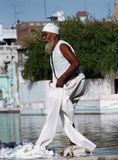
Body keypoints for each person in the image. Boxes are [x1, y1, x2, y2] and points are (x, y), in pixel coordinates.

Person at [35, 23, 96, 156]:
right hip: (68, 83)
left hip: (75, 82)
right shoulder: (53, 48)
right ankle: (74, 146)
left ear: (54, 35)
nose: (43, 37)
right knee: (68, 114)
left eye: (45, 34)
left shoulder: (62, 46)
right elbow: (58, 69)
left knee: (64, 109)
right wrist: (55, 80)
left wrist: (62, 78)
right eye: (42, 35)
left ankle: (78, 144)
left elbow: (75, 62)